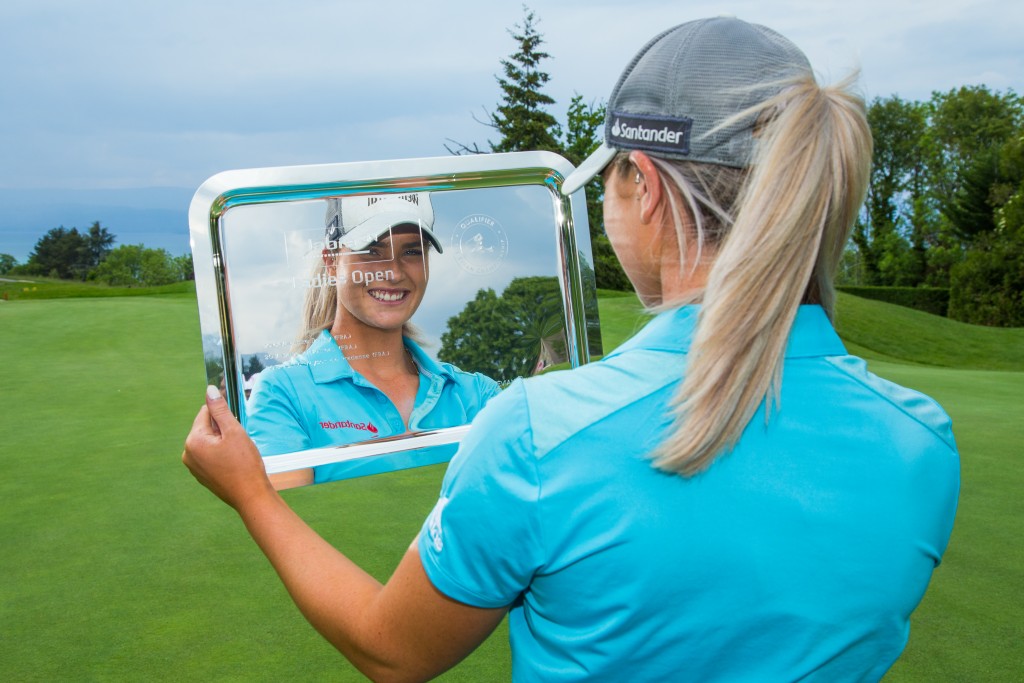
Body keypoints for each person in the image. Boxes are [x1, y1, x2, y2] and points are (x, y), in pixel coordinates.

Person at [183, 17, 960, 681]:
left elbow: (394, 651)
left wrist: (253, 494)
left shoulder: (532, 431)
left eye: (610, 181)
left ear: (644, 187)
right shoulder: (923, 443)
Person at [245, 192, 499, 487]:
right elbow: (290, 521)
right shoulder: (282, 393)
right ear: (331, 261)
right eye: (371, 250)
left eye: (412, 251)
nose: (393, 272)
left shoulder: (477, 394)